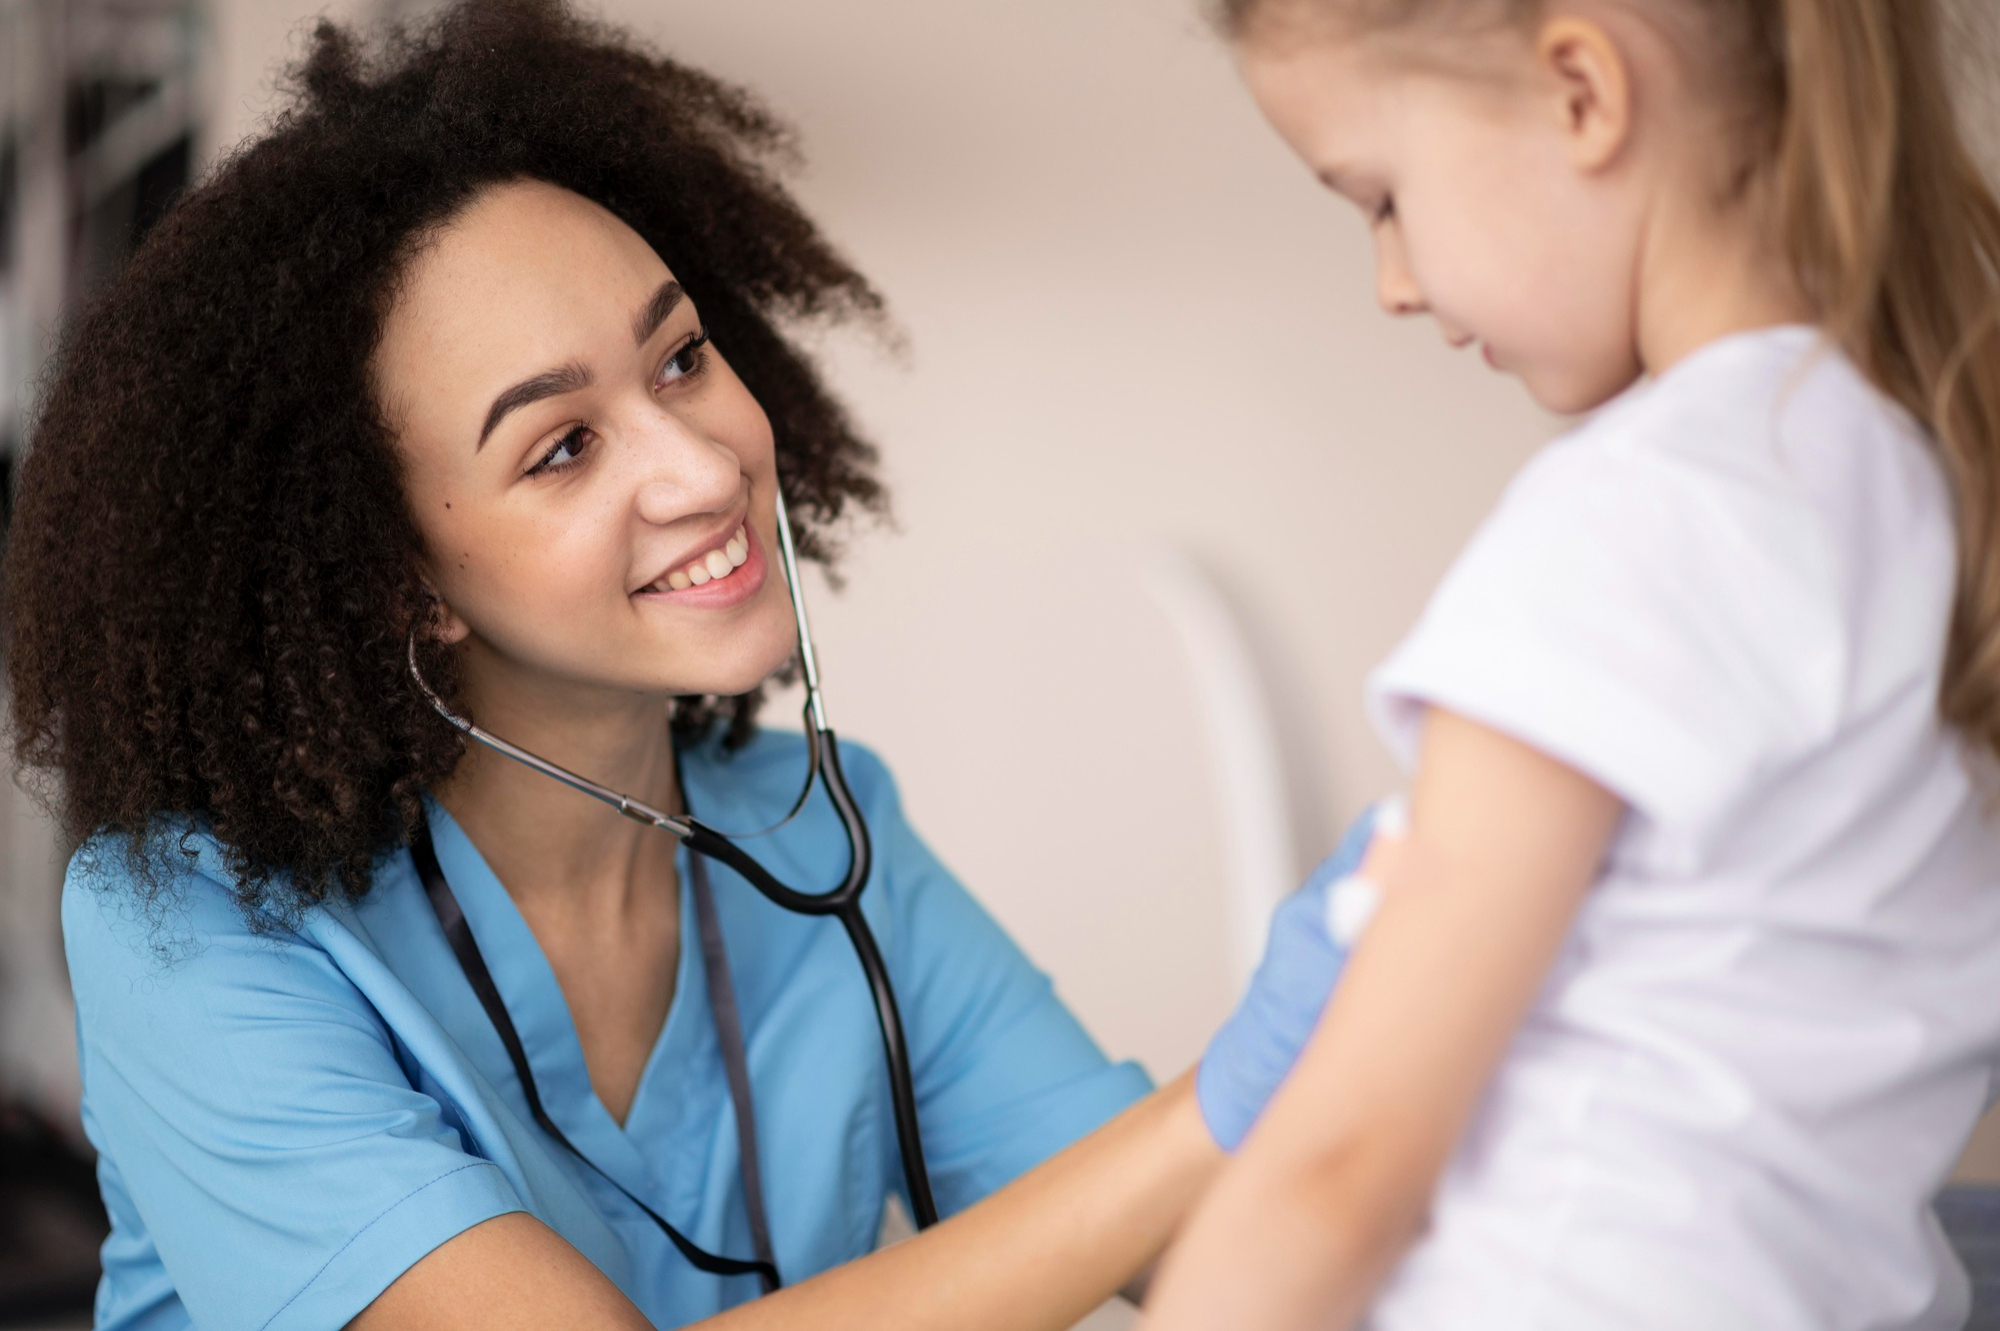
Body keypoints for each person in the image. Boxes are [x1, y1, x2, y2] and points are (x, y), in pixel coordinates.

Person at [0, 3, 1357, 1326]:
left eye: (682, 358)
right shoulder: (188, 929)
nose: (705, 468)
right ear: (398, 582)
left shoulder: (830, 840)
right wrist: (1223, 1098)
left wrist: (1403, 1008)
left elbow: (1210, 1249)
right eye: (562, 447)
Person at [1144, 0, 2000, 1328]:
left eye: (1382, 199)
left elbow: (1342, 1165)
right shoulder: (1930, 478)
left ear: (1582, 94)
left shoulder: (1635, 515)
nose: (1392, 283)